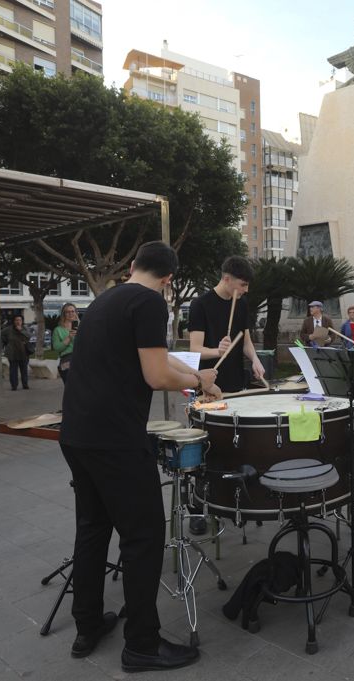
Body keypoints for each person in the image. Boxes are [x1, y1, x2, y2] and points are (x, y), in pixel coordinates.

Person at [59, 241, 220, 671]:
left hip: (76, 434)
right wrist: (199, 382)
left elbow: (161, 359)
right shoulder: (150, 303)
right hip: (115, 439)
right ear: (168, 280)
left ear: (133, 266)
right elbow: (154, 374)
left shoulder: (106, 299)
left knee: (93, 528)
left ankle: (87, 625)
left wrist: (196, 376)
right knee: (144, 534)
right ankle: (142, 645)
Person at [189, 255, 266, 393]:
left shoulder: (241, 303)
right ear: (226, 279)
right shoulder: (200, 304)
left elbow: (246, 342)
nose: (246, 290)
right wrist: (218, 351)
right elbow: (195, 349)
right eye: (243, 285)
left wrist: (255, 359)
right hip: (209, 385)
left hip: (237, 383)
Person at [2, 315, 31, 391]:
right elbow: (1, 335)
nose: (18, 322)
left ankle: (25, 384)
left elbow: (29, 336)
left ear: (22, 321)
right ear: (13, 321)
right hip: (12, 353)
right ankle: (14, 385)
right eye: (16, 320)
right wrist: (6, 343)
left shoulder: (25, 328)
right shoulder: (8, 329)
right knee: (13, 370)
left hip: (23, 352)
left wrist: (21, 330)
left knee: (24, 370)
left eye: (20, 320)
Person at [52, 303, 79, 383]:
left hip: (81, 358)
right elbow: (57, 348)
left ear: (76, 313)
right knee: (71, 389)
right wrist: (69, 338)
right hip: (67, 360)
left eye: (72, 311)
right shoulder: (58, 330)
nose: (70, 314)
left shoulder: (82, 326)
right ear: (64, 314)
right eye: (67, 312)